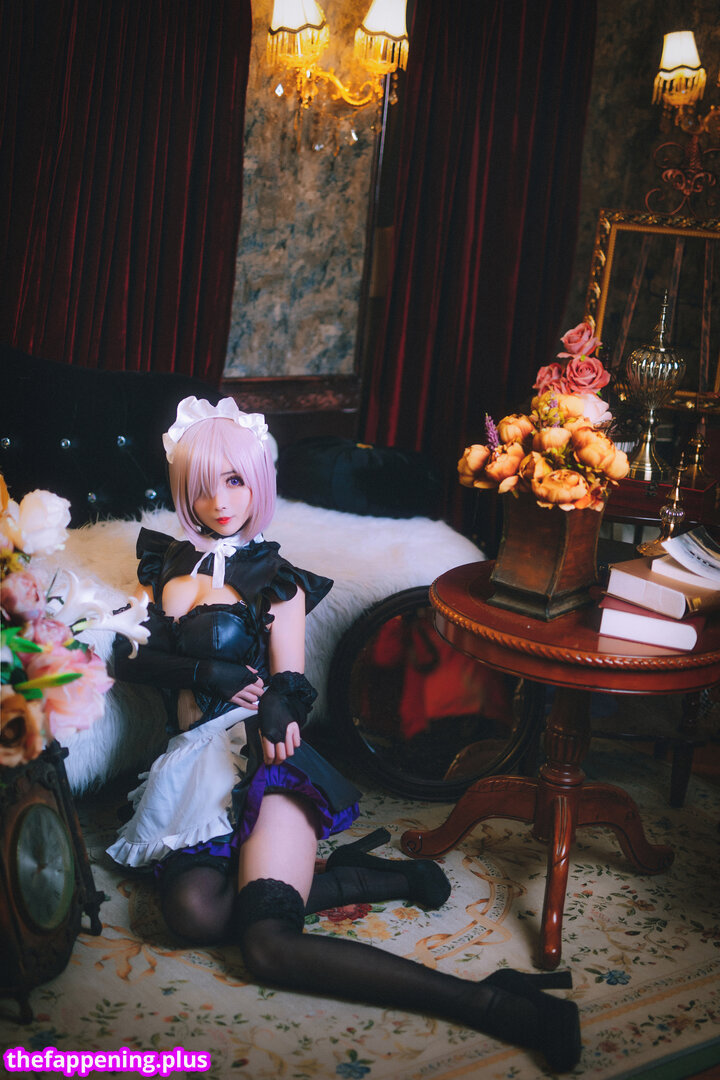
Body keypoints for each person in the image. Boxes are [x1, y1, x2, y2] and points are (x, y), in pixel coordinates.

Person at [107, 396, 581, 1073]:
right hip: (193, 762)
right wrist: (204, 668)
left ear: (257, 483)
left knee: (267, 944)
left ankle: (500, 1003)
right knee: (193, 915)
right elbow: (129, 655)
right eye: (204, 484)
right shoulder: (166, 567)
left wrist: (279, 706)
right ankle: (364, 877)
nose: (220, 500)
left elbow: (292, 682)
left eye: (235, 481)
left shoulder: (277, 581)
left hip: (263, 759)